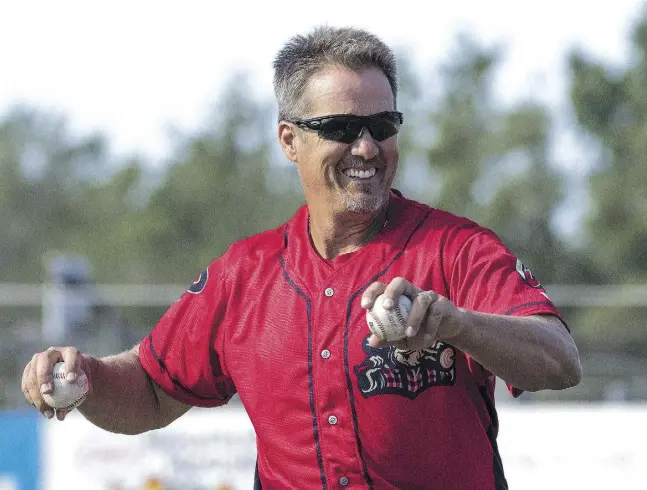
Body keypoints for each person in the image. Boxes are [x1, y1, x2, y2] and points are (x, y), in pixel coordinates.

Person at [21, 26, 582, 490]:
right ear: (290, 140)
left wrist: (452, 323)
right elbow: (148, 390)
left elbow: (560, 360)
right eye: (340, 128)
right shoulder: (245, 273)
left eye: (382, 127)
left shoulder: (456, 249)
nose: (366, 147)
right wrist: (86, 376)